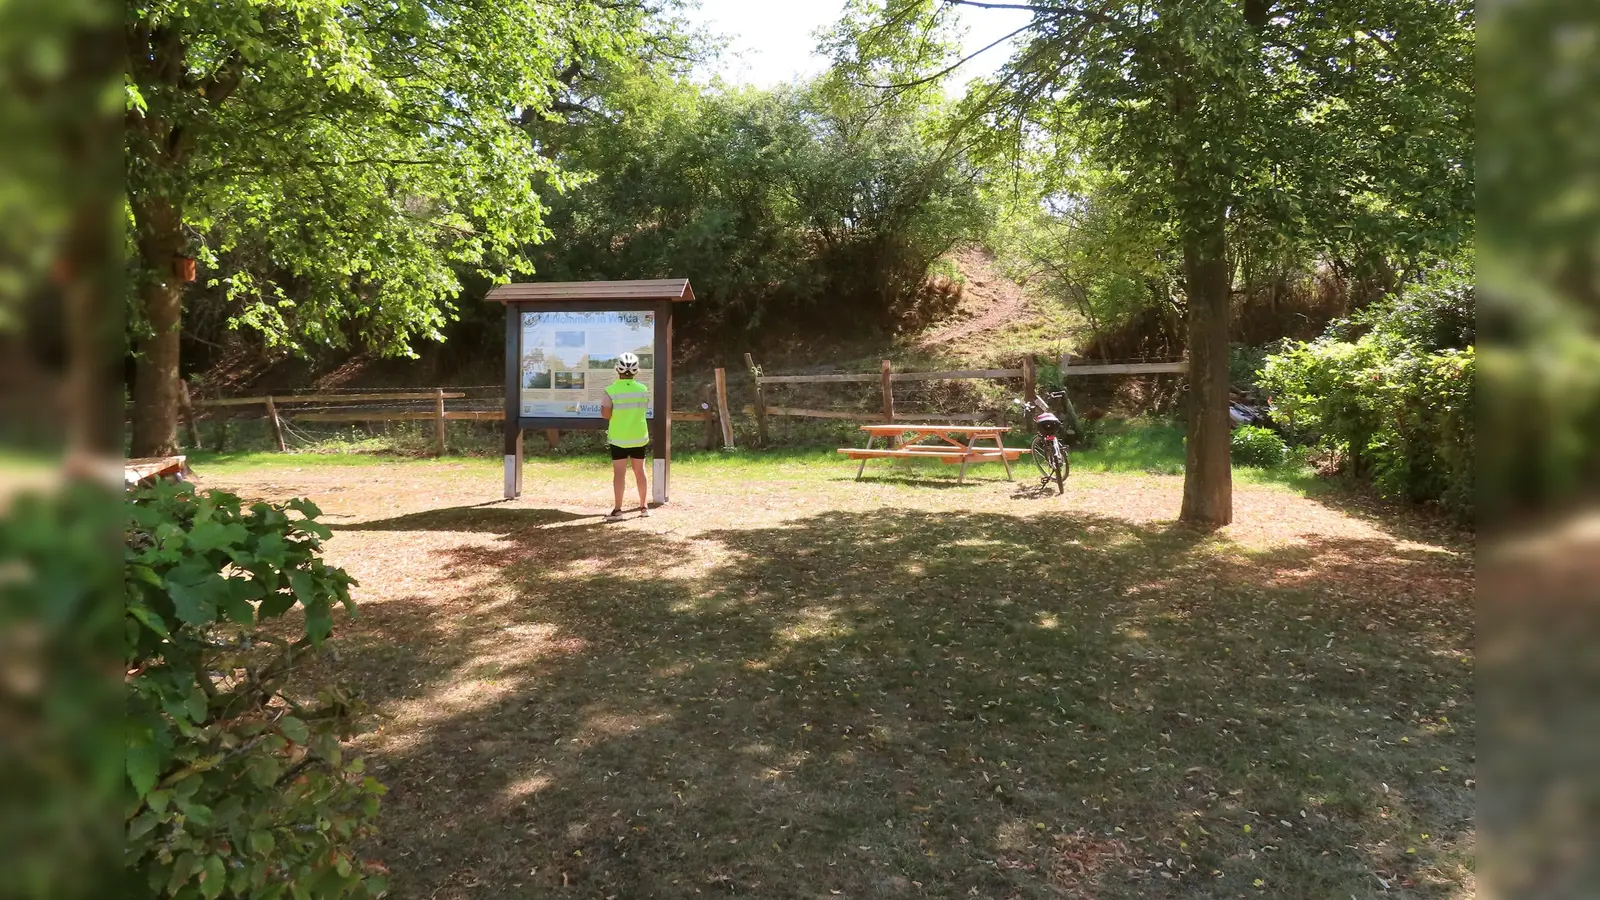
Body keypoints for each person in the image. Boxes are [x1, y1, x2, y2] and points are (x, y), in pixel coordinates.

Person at [600, 352, 650, 521]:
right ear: (637, 371)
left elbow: (606, 415)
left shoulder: (610, 391)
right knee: (640, 472)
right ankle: (644, 507)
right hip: (638, 436)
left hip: (619, 438)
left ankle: (618, 510)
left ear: (617, 369)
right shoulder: (643, 389)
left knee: (619, 474)